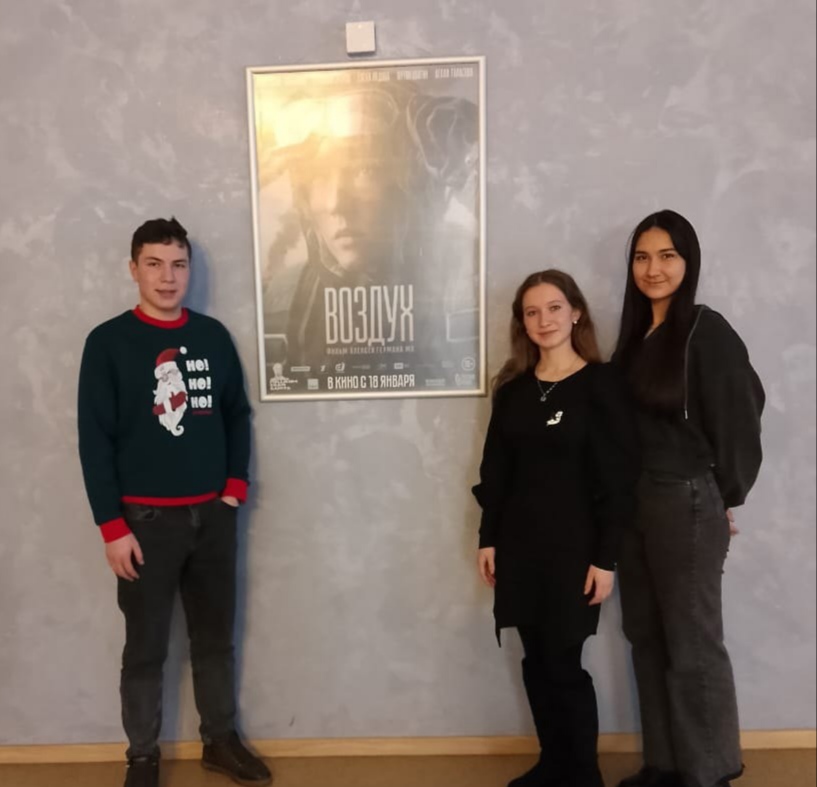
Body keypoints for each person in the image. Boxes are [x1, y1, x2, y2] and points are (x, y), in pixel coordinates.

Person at [77, 218, 272, 787]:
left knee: (215, 639)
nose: (168, 277)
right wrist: (112, 527)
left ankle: (220, 740)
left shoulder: (212, 337)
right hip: (143, 524)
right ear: (134, 269)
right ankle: (142, 756)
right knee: (145, 647)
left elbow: (236, 414)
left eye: (178, 264)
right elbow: (94, 439)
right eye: (155, 264)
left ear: (190, 270)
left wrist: (234, 487)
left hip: (213, 518)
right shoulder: (108, 343)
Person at [612, 210, 764, 787]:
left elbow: (741, 415)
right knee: (646, 636)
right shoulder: (634, 339)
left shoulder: (706, 330)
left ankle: (709, 772)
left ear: (688, 262)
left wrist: (723, 493)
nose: (653, 269)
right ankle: (665, 765)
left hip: (685, 501)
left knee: (692, 641)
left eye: (667, 256)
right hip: (636, 503)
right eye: (642, 257)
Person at [472, 270, 640, 787]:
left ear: (576, 313)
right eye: (531, 312)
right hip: (519, 549)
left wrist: (605, 558)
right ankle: (553, 764)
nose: (543, 320)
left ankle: (582, 774)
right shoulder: (513, 391)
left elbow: (617, 480)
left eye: (553, 308)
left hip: (575, 550)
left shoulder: (602, 385)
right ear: (522, 323)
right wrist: (487, 538)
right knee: (535, 662)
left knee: (563, 662)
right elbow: (495, 473)